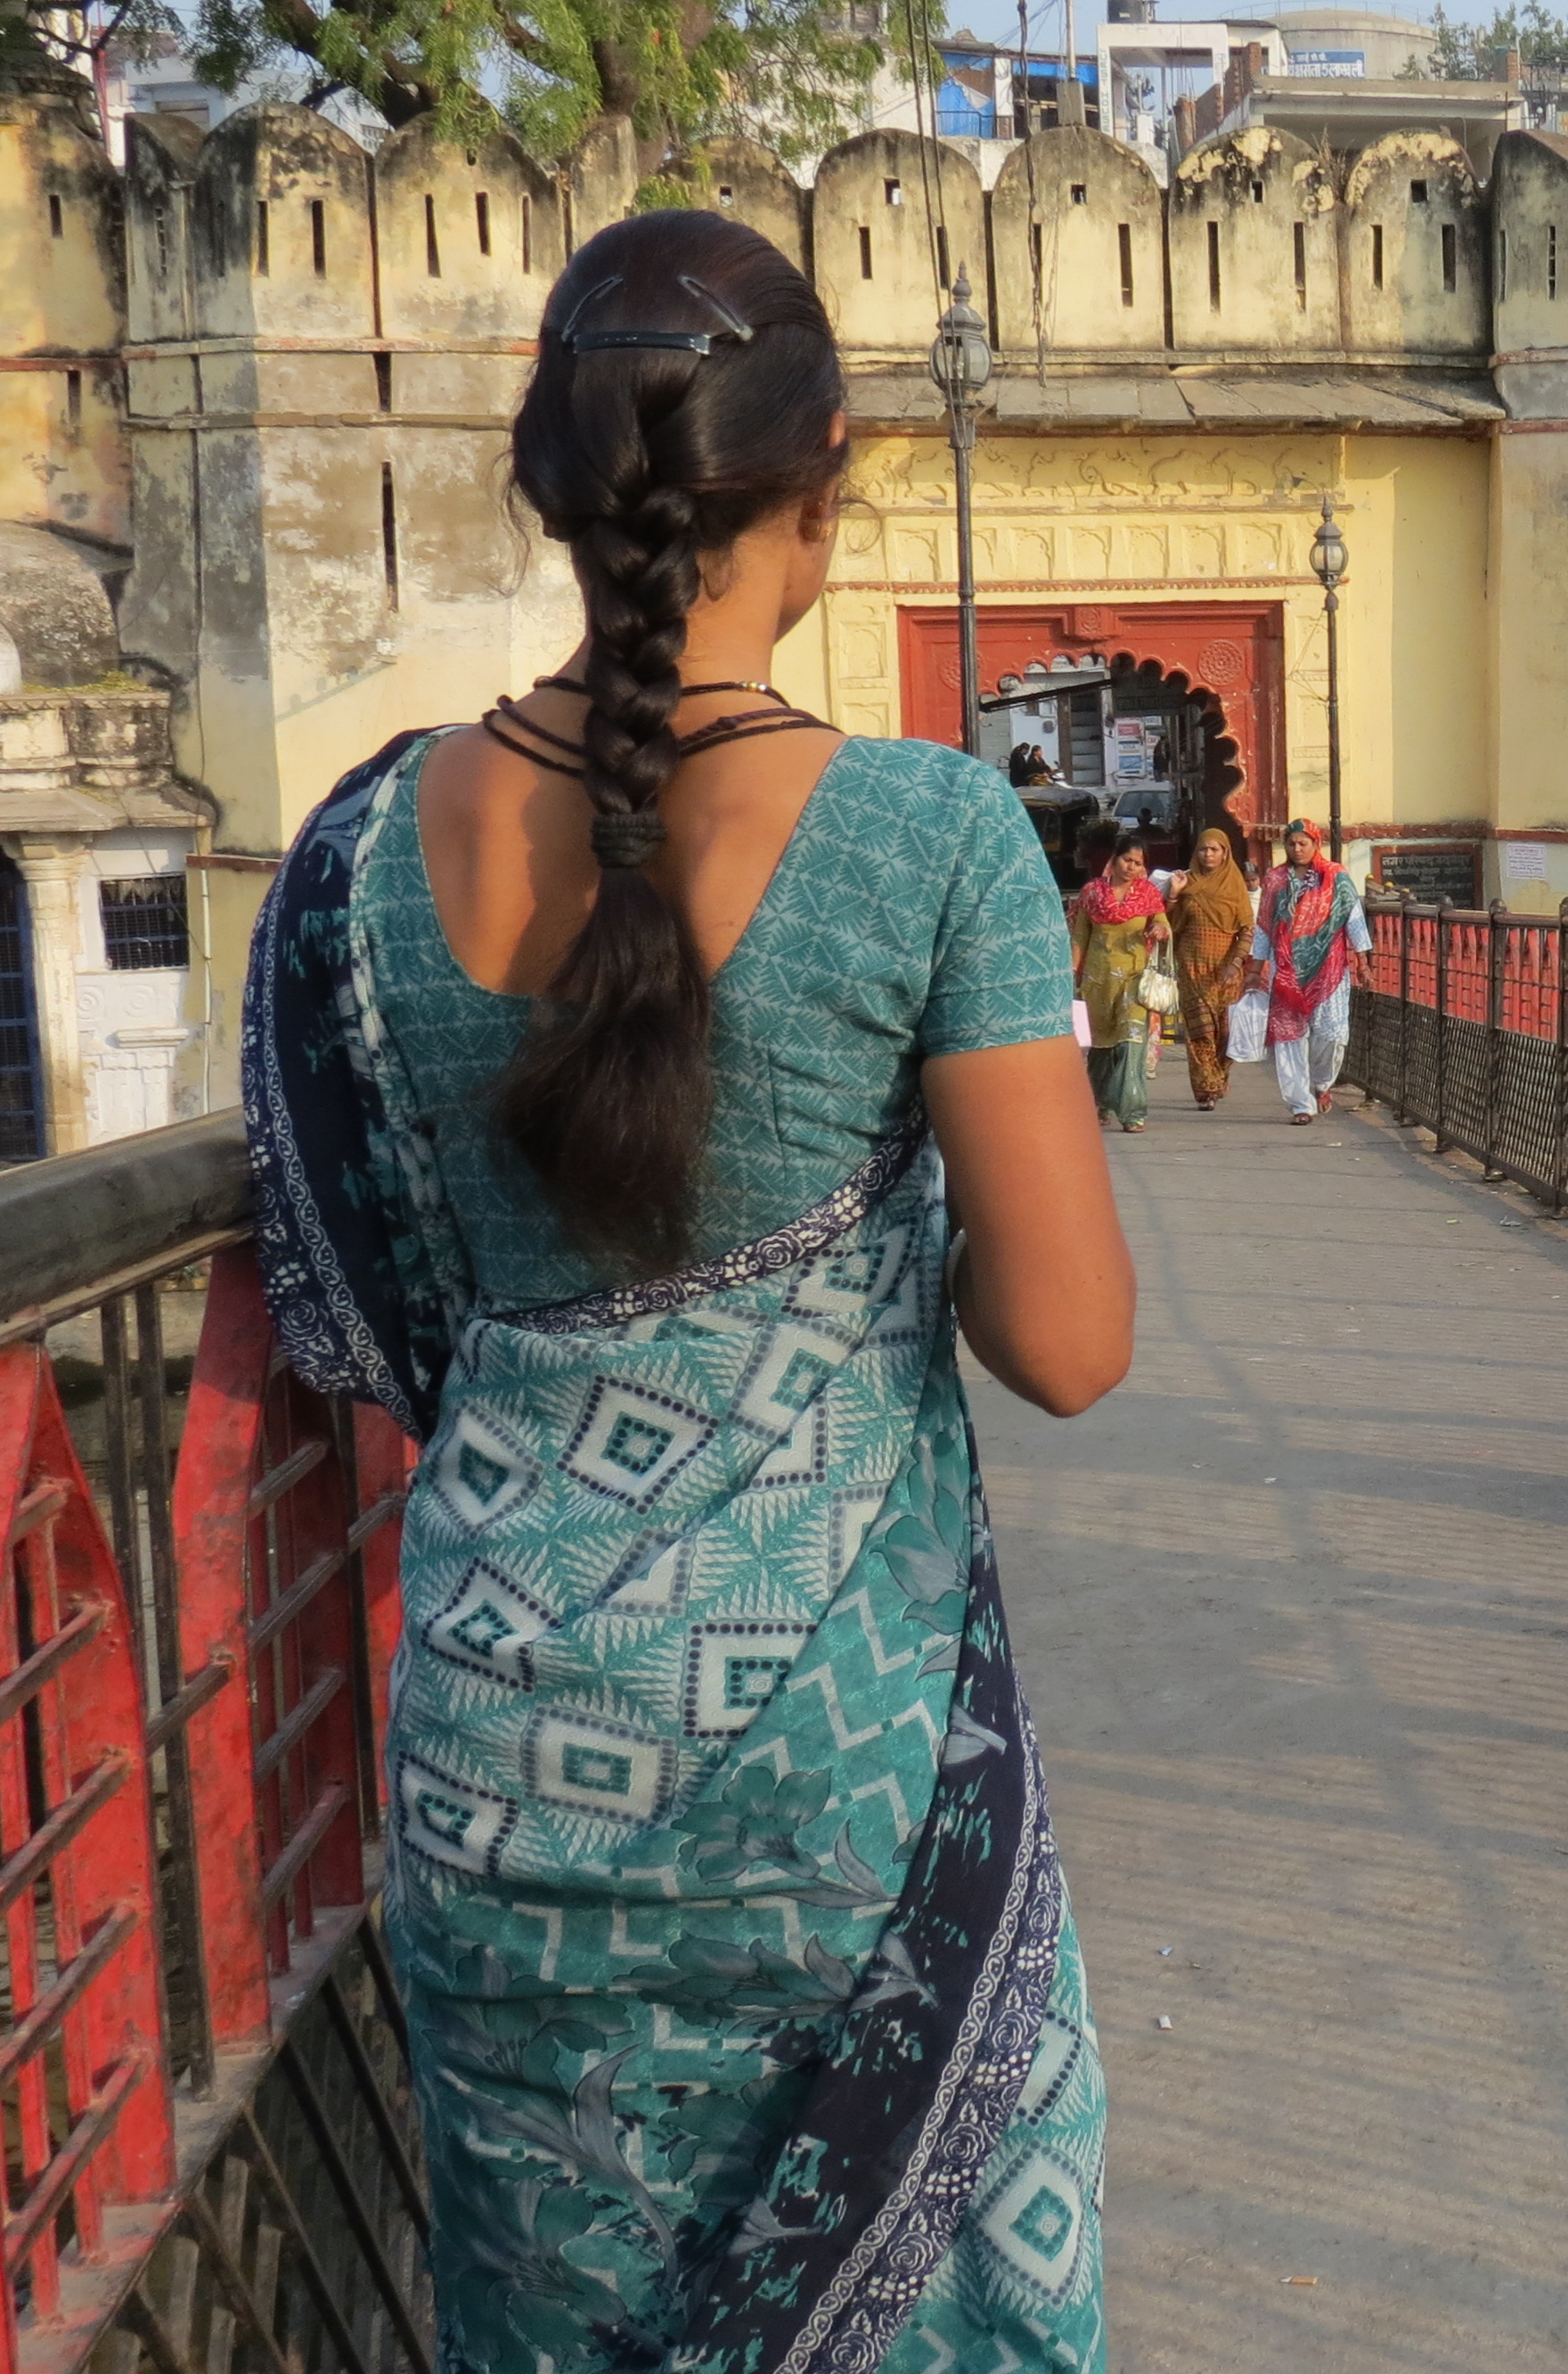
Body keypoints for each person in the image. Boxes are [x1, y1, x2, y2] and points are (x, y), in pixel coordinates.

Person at [237, 212, 1124, 2372]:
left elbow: (390, 1321)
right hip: (832, 1775)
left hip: (495, 1751)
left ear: (549, 478)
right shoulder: (929, 835)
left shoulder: (358, 862)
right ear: (826, 476)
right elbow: (1071, 1346)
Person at [1247, 816, 1369, 1125]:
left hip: (1330, 970)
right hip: (1286, 972)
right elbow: (1264, 926)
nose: (1297, 848)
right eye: (1291, 843)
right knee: (1289, 1038)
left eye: (1303, 842)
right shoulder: (1275, 880)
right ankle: (1301, 1104)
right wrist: (1255, 968)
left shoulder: (1336, 877)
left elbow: (1353, 917)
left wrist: (1364, 962)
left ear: (1316, 844)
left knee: (1330, 1035)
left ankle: (1321, 1082)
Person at [1070, 825, 1168, 1130]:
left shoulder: (1148, 894)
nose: (1132, 868)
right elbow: (1080, 937)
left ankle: (1132, 1111)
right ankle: (1099, 1103)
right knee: (1101, 1049)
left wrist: (1159, 930)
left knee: (1130, 1044)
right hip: (1098, 981)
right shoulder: (1092, 893)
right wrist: (1072, 975)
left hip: (1134, 980)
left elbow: (1163, 923)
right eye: (1128, 860)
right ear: (1115, 860)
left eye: (1138, 863)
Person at [1164, 825, 1254, 1109]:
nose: (1208, 854)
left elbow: (1247, 929)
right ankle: (1206, 1089)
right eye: (1203, 849)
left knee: (1227, 1033)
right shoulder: (1185, 882)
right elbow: (1165, 923)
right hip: (1191, 966)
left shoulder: (1235, 885)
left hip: (1226, 969)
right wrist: (1174, 896)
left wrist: (1236, 962)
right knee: (1200, 1029)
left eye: (1214, 849)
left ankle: (1219, 1076)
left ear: (1225, 853)